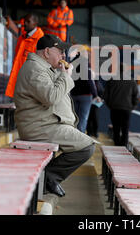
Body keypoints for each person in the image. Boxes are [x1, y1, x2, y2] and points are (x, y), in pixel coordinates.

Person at [13, 34, 98, 197]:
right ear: (46, 51)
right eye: (60, 51)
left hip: (46, 124)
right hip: (39, 127)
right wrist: (65, 76)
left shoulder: (43, 68)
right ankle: (45, 179)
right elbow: (51, 97)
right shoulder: (34, 69)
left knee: (83, 144)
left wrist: (61, 74)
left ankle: (46, 178)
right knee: (86, 147)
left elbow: (54, 94)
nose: (63, 56)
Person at [5, 14, 44, 98]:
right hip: (19, 82)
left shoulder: (40, 40)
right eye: (24, 21)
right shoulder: (22, 38)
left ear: (35, 23)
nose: (25, 23)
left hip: (28, 85)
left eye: (28, 21)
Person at [103, 64, 139, 147]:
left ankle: (117, 146)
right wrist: (132, 107)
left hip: (114, 108)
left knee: (116, 128)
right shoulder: (131, 80)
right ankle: (124, 147)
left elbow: (105, 96)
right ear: (126, 70)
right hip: (127, 109)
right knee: (125, 129)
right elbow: (136, 96)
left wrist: (110, 105)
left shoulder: (111, 80)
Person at [70, 45, 102, 134]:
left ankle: (73, 137)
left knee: (74, 118)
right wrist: (95, 95)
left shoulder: (72, 63)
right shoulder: (84, 62)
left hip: (74, 94)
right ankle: (80, 140)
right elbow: (89, 80)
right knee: (83, 118)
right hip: (85, 95)